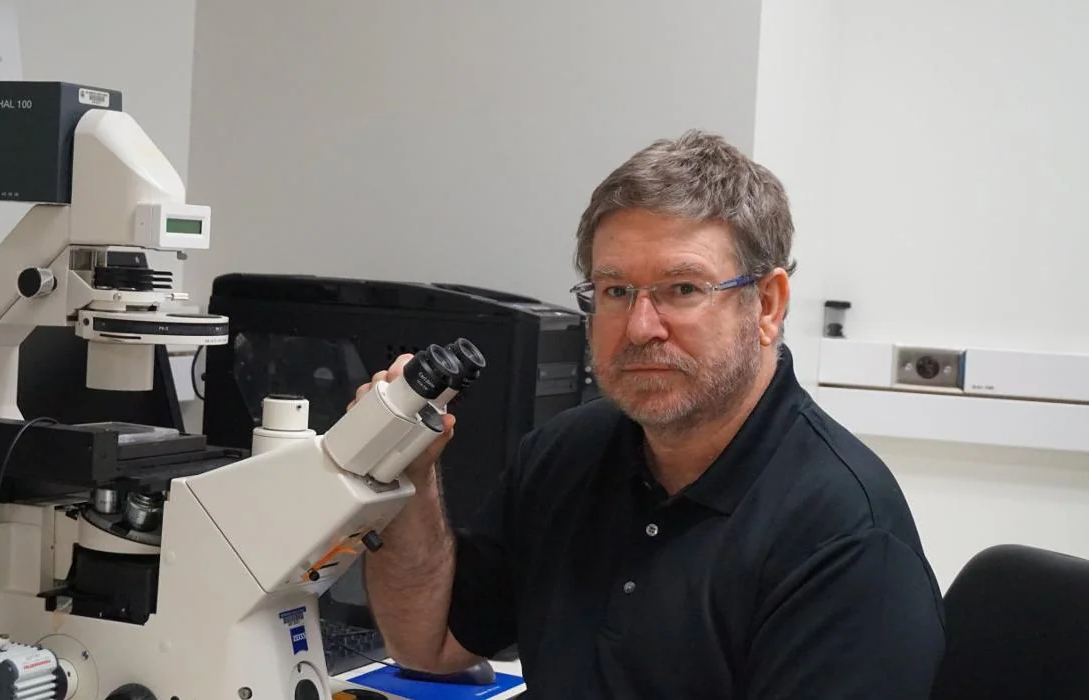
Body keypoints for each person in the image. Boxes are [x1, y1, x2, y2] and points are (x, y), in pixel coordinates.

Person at [358, 130, 946, 698]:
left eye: (683, 289)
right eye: (614, 291)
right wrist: (408, 471)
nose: (640, 327)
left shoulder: (847, 539)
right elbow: (426, 645)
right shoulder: (562, 456)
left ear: (766, 305)